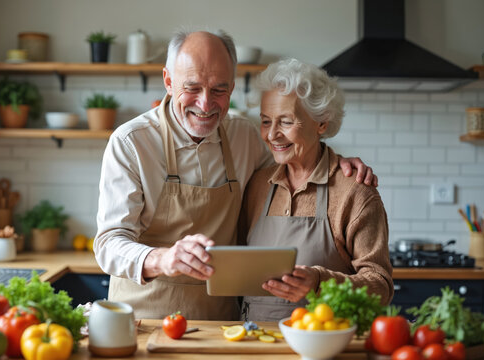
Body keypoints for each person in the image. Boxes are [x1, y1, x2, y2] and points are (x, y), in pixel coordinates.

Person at [94, 29, 377, 320]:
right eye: (192, 88)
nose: (205, 105)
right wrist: (163, 258)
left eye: (219, 89)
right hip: (145, 318)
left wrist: (337, 163)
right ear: (168, 81)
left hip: (219, 321)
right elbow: (108, 244)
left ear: (232, 86)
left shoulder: (246, 136)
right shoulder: (131, 142)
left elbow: (296, 156)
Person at [238, 59, 393, 322]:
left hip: (323, 343)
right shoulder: (257, 185)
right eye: (266, 121)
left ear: (321, 123)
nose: (272, 135)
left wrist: (320, 282)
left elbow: (381, 286)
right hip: (255, 343)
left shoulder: (354, 192)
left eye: (285, 122)